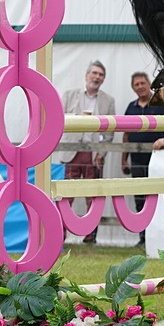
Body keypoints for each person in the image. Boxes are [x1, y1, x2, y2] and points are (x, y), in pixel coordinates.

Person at [119, 71, 164, 245]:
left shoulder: (163, 104)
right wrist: (124, 159)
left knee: (157, 195)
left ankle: (158, 236)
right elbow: (125, 134)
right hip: (137, 159)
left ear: (149, 84)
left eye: (142, 83)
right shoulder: (130, 107)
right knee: (139, 197)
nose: (140, 87)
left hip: (158, 159)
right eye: (136, 84)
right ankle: (142, 237)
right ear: (133, 88)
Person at [56, 61, 116, 242]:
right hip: (71, 151)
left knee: (93, 196)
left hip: (94, 154)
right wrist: (78, 118)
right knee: (66, 195)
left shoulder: (108, 100)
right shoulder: (69, 95)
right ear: (86, 75)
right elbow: (59, 119)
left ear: (103, 79)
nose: (97, 77)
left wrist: (101, 153)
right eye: (94, 73)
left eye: (101, 75)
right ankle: (60, 234)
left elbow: (110, 131)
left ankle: (91, 236)